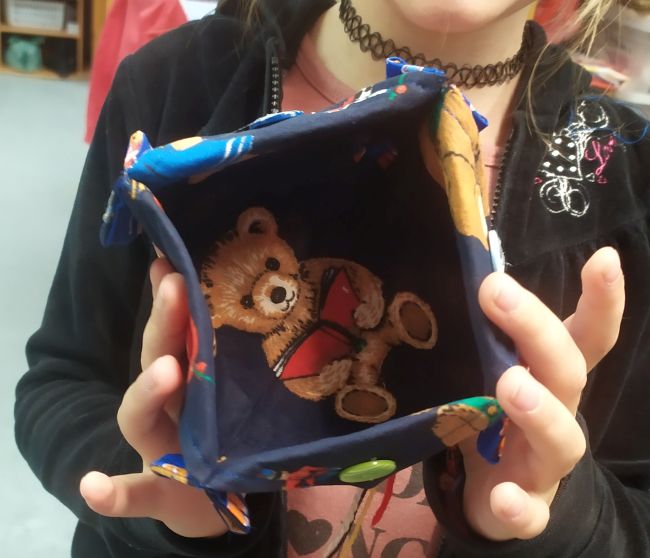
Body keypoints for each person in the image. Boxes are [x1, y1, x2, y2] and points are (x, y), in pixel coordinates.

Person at [14, 1, 650, 557]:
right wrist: (170, 505)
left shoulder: (628, 179)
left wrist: (559, 518)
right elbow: (63, 380)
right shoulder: (174, 85)